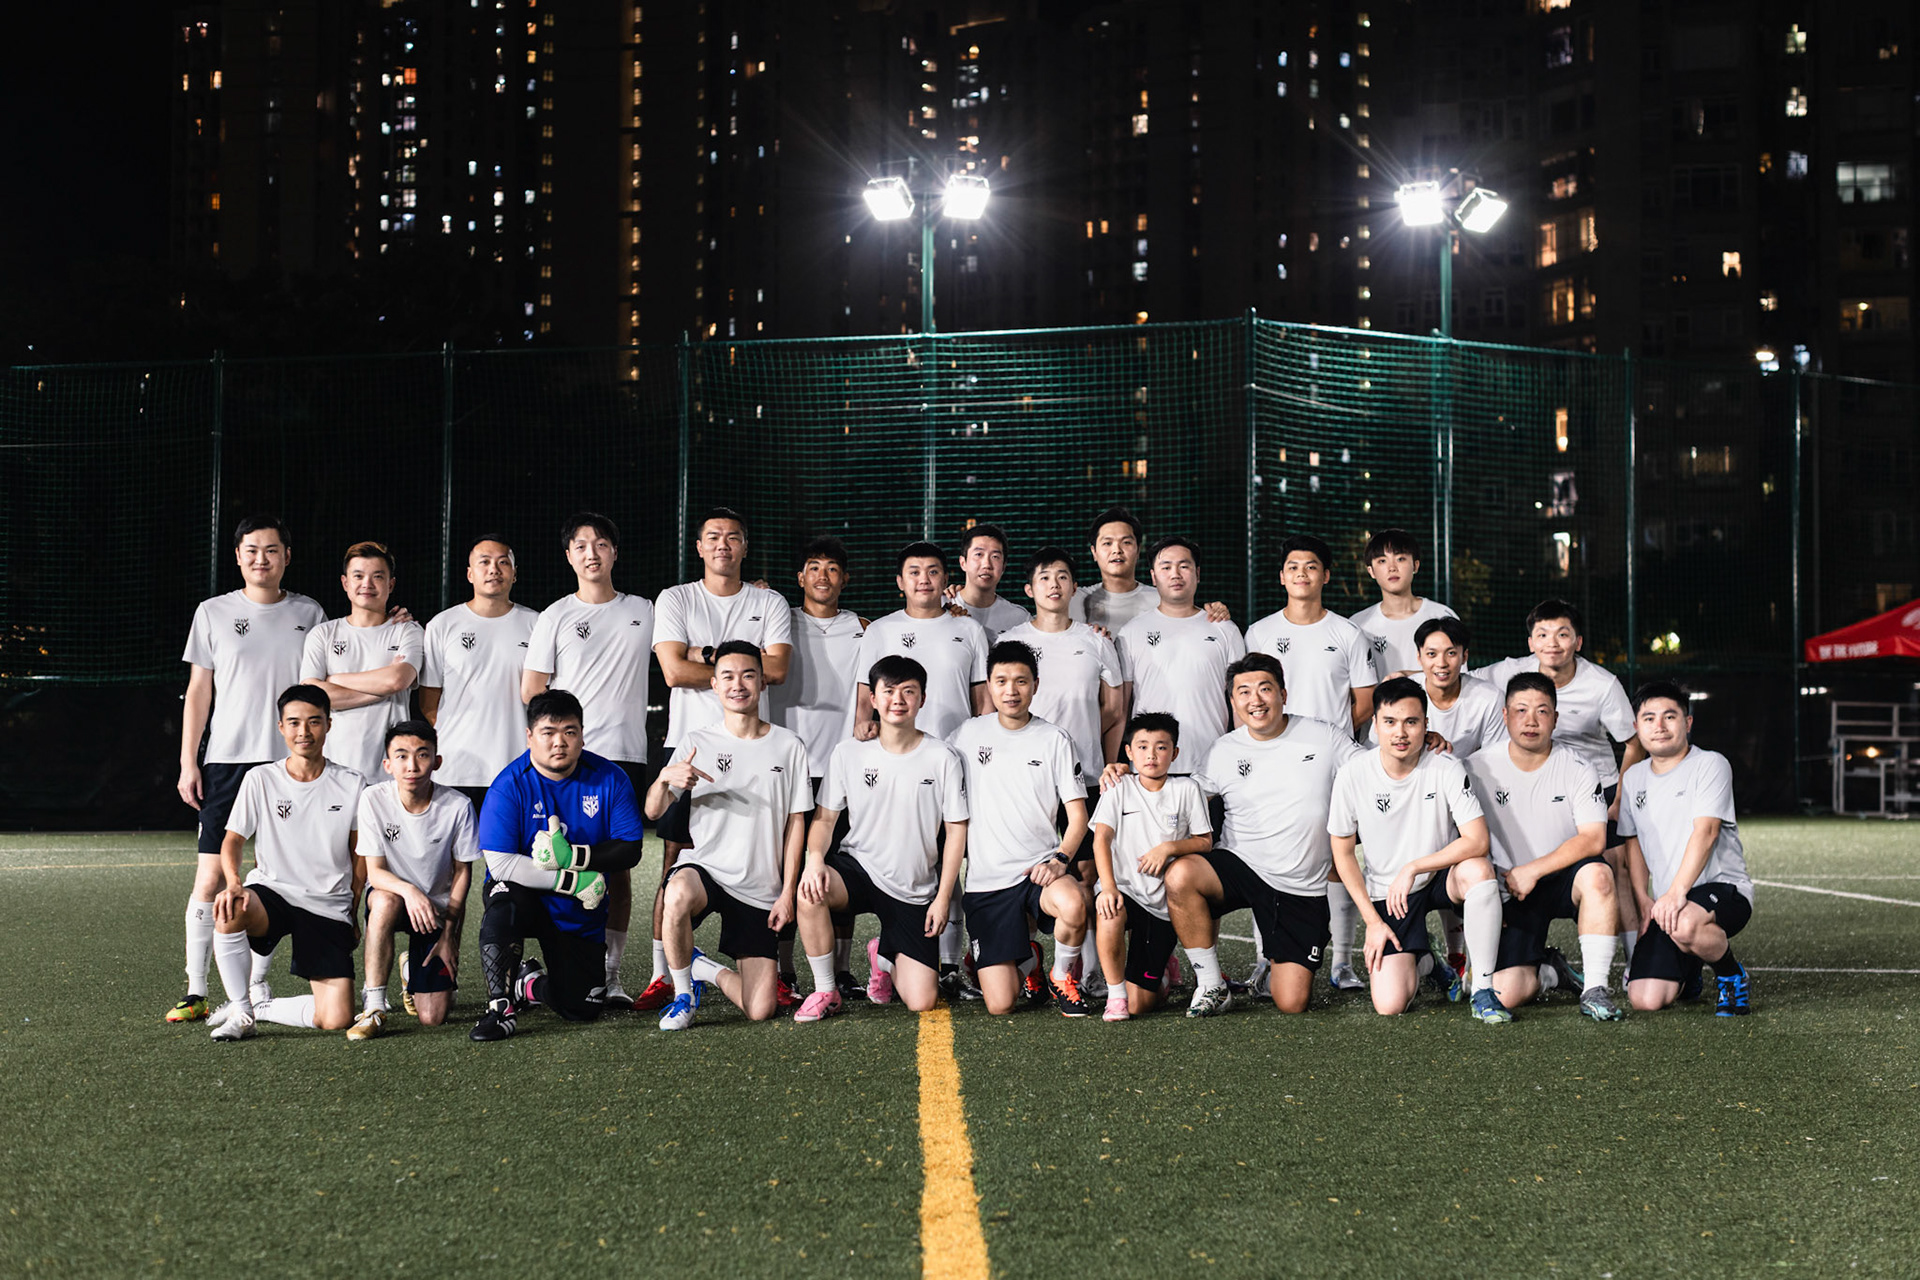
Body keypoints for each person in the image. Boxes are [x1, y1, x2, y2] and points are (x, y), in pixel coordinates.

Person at [172, 514, 326, 1024]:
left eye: (272, 550)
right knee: (212, 874)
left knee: (280, 875)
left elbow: (332, 669)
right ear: (237, 556)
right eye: (252, 550)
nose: (262, 558)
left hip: (291, 760)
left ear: (287, 556)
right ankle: (196, 991)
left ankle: (256, 987)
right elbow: (199, 690)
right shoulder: (212, 612)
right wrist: (188, 760)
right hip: (228, 763)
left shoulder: (310, 612)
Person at [646, 508, 795, 1009]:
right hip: (694, 743)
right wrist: (726, 660)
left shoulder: (768, 599)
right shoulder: (677, 598)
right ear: (699, 546)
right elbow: (671, 670)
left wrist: (702, 653)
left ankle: (723, 964)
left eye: (733, 537)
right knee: (674, 861)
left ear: (745, 546)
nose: (723, 545)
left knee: (765, 845)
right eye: (713, 537)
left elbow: (774, 668)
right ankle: (665, 975)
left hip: (755, 745)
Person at [1167, 654, 1364, 1017]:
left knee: (1291, 1002)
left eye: (1264, 689)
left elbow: (1372, 771)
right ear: (1233, 702)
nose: (1255, 700)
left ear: (1283, 693)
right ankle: (1211, 984)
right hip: (1242, 864)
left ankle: (1274, 967)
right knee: (1181, 876)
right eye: (1243, 692)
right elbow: (1181, 796)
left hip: (1301, 885)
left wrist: (1421, 744)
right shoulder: (1223, 749)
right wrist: (1130, 779)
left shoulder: (1325, 736)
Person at [523, 513, 655, 1010]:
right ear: (569, 556)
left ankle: (612, 973)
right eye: (580, 545)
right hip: (566, 760)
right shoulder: (554, 616)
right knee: (555, 860)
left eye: (601, 544)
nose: (591, 553)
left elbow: (688, 636)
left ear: (615, 553)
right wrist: (559, 736)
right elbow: (531, 689)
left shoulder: (645, 609)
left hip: (623, 756)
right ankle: (541, 959)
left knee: (616, 869)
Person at [644, 643, 813, 1030]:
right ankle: (683, 995)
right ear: (715, 686)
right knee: (678, 893)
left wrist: (786, 893)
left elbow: (796, 826)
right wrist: (664, 779)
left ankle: (706, 969)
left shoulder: (789, 746)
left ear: (763, 682)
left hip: (759, 887)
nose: (739, 685)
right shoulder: (696, 742)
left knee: (760, 1009)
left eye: (748, 675)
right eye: (728, 677)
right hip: (708, 870)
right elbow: (653, 810)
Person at [793, 655, 969, 1021]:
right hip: (860, 868)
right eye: (888, 691)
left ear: (922, 699)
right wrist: (814, 861)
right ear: (872, 698)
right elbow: (825, 818)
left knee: (921, 1000)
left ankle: (883, 956)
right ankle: (826, 990)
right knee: (809, 891)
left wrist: (942, 898)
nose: (898, 700)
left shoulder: (943, 757)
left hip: (914, 887)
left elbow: (956, 831)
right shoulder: (848, 752)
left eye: (909, 691)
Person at [469, 689, 647, 1041]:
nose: (559, 742)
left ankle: (529, 985)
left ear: (582, 735)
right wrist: (572, 880)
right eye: (548, 733)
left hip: (580, 907)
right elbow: (501, 863)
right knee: (502, 901)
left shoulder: (609, 778)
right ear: (530, 737)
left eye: (569, 732)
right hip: (528, 894)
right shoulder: (508, 785)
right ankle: (499, 1008)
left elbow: (631, 849)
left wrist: (574, 858)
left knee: (581, 1008)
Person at [853, 541, 991, 995]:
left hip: (955, 764)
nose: (924, 579)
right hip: (896, 768)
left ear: (944, 579)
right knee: (906, 866)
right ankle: (891, 952)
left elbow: (982, 705)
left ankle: (949, 964)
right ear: (900, 582)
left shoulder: (967, 630)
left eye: (933, 571)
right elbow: (863, 704)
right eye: (914, 572)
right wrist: (864, 733)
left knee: (951, 862)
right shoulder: (880, 631)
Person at [1245, 534, 1377, 992]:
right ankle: (1266, 958)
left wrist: (1326, 741)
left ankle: (1342, 963)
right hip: (1271, 762)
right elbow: (1250, 698)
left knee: (1338, 859)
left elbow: (1364, 701)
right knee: (1270, 856)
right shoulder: (1259, 632)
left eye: (1312, 566)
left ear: (1325, 575)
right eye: (1294, 567)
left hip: (1331, 766)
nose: (1302, 574)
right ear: (1282, 577)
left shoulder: (1346, 633)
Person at [1327, 677, 1502, 1022]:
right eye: (1390, 722)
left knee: (1478, 871)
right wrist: (1372, 922)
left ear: (1426, 724)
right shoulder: (1352, 775)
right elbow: (1343, 853)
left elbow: (1478, 840)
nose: (1401, 733)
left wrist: (1414, 867)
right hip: (1389, 892)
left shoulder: (1446, 767)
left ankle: (1482, 989)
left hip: (1437, 877)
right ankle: (1427, 960)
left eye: (1411, 722)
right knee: (1389, 1005)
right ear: (1374, 724)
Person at [1475, 600, 1643, 954]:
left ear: (1578, 642)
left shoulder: (1602, 685)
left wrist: (1619, 799)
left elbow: (1633, 743)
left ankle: (1636, 961)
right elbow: (1455, 677)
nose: (1553, 643)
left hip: (1593, 785)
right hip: (1532, 782)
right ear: (1531, 643)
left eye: (1563, 634)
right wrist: (1402, 678)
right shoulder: (1510, 673)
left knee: (1615, 866)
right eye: (1543, 634)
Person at [205, 685, 366, 1041]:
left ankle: (262, 1007)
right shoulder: (260, 778)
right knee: (230, 907)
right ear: (281, 727)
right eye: (293, 723)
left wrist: (354, 911)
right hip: (273, 892)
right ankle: (242, 1011)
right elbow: (232, 840)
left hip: (327, 903)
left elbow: (360, 857)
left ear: (328, 724)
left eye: (313, 722)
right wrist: (233, 882)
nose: (303, 732)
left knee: (336, 1019)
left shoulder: (352, 783)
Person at [1467, 674, 1625, 1022]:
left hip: (1559, 876)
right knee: (1508, 992)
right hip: (1509, 888)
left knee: (1599, 874)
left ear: (1555, 717)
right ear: (1505, 716)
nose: (1531, 720)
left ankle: (1595, 989)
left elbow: (1594, 839)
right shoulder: (1477, 767)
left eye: (1542, 711)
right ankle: (1551, 972)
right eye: (1521, 710)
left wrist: (1534, 870)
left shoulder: (1580, 767)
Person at [951, 640, 1093, 1016]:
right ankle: (1028, 957)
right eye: (1001, 681)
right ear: (989, 684)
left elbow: (1078, 816)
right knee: (1000, 1004)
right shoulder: (966, 735)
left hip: (1037, 870)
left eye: (1021, 681)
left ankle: (1061, 976)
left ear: (1036, 684)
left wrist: (1061, 859)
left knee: (1075, 904)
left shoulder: (1054, 740)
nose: (1011, 691)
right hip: (987, 883)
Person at [767, 536, 869, 999]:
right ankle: (784, 968)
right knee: (784, 871)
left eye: (832, 569)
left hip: (841, 766)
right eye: (813, 567)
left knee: (837, 868)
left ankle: (843, 969)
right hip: (788, 767)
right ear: (800, 577)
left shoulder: (865, 627)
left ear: (844, 579)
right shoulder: (778, 621)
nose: (822, 576)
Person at [1620, 682, 1755, 1016]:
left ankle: (1729, 974)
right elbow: (1632, 842)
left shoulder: (1710, 764)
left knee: (1683, 925)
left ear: (1688, 722)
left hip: (1723, 890)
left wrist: (1677, 893)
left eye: (1670, 716)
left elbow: (1706, 832)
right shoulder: (1634, 777)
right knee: (1645, 999)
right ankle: (1691, 967)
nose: (1660, 726)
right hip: (1670, 905)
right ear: (1637, 727)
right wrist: (1644, 900)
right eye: (1649, 718)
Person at [1000, 547, 1126, 897]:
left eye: (1062, 577)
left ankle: (1080, 953)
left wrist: (1084, 746)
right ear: (1029, 590)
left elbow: (1114, 710)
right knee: (1023, 869)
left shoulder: (1096, 642)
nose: (1053, 585)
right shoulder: (1010, 641)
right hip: (1027, 777)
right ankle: (1024, 951)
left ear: (1073, 588)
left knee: (1086, 870)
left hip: (1084, 774)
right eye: (1044, 578)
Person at [349, 719, 480, 1038]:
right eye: (402, 755)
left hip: (435, 911)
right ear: (387, 764)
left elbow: (463, 872)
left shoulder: (458, 806)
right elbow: (374, 871)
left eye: (422, 755)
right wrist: (409, 891)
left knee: (433, 1017)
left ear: (437, 761)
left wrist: (450, 934)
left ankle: (413, 971)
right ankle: (375, 1006)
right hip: (393, 899)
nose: (412, 765)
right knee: (382, 899)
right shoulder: (372, 799)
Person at [1091, 713, 1212, 1020]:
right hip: (1126, 889)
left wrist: (1169, 848)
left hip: (1162, 904)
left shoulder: (1186, 789)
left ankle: (1161, 972)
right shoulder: (1119, 786)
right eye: (1142, 747)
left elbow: (1204, 841)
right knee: (1109, 910)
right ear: (1129, 752)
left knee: (1143, 1005)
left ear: (1175, 753)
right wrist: (1107, 887)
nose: (1151, 755)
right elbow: (1101, 839)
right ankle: (1115, 995)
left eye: (1161, 747)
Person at [420, 534, 537, 814]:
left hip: (517, 764)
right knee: (456, 857)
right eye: (484, 562)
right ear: (470, 574)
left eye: (502, 562)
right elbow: (428, 702)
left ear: (514, 573)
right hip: (457, 767)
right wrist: (464, 733)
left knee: (510, 855)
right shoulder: (443, 625)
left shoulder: (537, 623)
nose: (493, 569)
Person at [1114, 536, 1247, 765]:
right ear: (1154, 577)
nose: (1175, 574)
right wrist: (1117, 761)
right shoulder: (1131, 632)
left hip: (1210, 764)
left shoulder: (1226, 630)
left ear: (1197, 573)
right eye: (1166, 567)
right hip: (1149, 769)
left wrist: (1245, 755)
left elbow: (1241, 702)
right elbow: (1121, 709)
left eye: (1184, 566)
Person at [299, 541, 425, 780]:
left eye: (377, 576)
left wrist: (334, 680)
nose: (367, 584)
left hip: (390, 775)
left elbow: (397, 679)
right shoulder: (323, 634)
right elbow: (311, 696)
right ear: (345, 583)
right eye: (358, 576)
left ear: (391, 584)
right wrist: (382, 687)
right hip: (333, 771)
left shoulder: (408, 631)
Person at [1069, 506, 1233, 633]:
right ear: (1094, 552)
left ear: (1138, 550)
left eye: (1126, 542)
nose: (1116, 550)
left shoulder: (1162, 599)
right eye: (1107, 543)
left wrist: (1216, 612)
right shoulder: (1075, 600)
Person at [1350, 528, 1458, 682]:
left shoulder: (1442, 616)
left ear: (1415, 565)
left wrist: (1411, 677)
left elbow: (1458, 675)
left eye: (1400, 559)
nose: (1392, 567)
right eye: (1382, 561)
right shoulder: (1358, 625)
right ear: (1371, 571)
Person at [1412, 618, 1507, 762]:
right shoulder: (1402, 694)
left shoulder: (1490, 699)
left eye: (1451, 653)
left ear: (1465, 657)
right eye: (1432, 654)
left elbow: (1495, 760)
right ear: (1419, 657)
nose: (1441, 663)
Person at [950, 523, 1032, 640]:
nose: (986, 564)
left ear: (1003, 566)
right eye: (978, 554)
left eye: (995, 557)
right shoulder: (942, 607)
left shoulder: (1019, 619)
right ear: (963, 563)